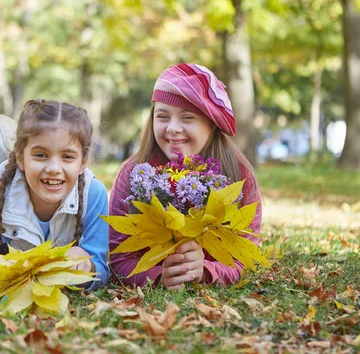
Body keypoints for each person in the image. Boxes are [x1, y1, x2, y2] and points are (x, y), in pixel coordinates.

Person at [109, 63, 262, 290]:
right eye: (162, 116)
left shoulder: (238, 176)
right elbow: (117, 259)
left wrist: (207, 271)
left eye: (187, 117)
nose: (173, 128)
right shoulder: (133, 174)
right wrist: (157, 276)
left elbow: (246, 258)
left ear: (212, 123)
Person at [0, 99, 110, 289]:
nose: (53, 168)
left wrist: (86, 266)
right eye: (41, 155)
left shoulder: (94, 193)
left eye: (67, 156)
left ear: (83, 162)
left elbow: (101, 268)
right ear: (20, 158)